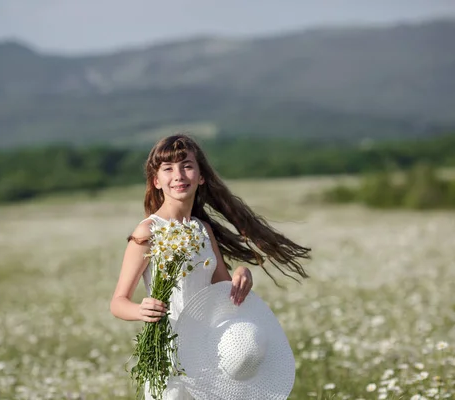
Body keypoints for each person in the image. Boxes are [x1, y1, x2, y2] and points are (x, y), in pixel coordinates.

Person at [110, 134, 311, 399]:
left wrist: (241, 273)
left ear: (201, 176)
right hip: (169, 353)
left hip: (208, 349)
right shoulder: (148, 231)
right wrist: (140, 310)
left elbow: (223, 293)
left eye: (187, 166)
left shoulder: (202, 230)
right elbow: (118, 303)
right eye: (168, 169)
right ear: (156, 181)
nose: (179, 175)